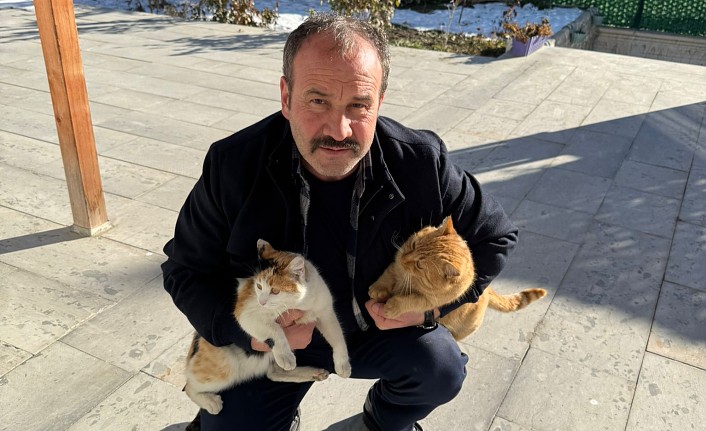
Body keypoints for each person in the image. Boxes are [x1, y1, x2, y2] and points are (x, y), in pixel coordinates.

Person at [162, 13, 518, 431]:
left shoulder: (422, 161)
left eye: (358, 105)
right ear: (286, 97)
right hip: (272, 339)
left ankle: (379, 421)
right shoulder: (232, 164)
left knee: (440, 367)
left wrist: (431, 309)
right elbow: (185, 270)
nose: (339, 129)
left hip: (374, 333)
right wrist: (249, 334)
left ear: (379, 103)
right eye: (318, 101)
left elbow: (496, 237)